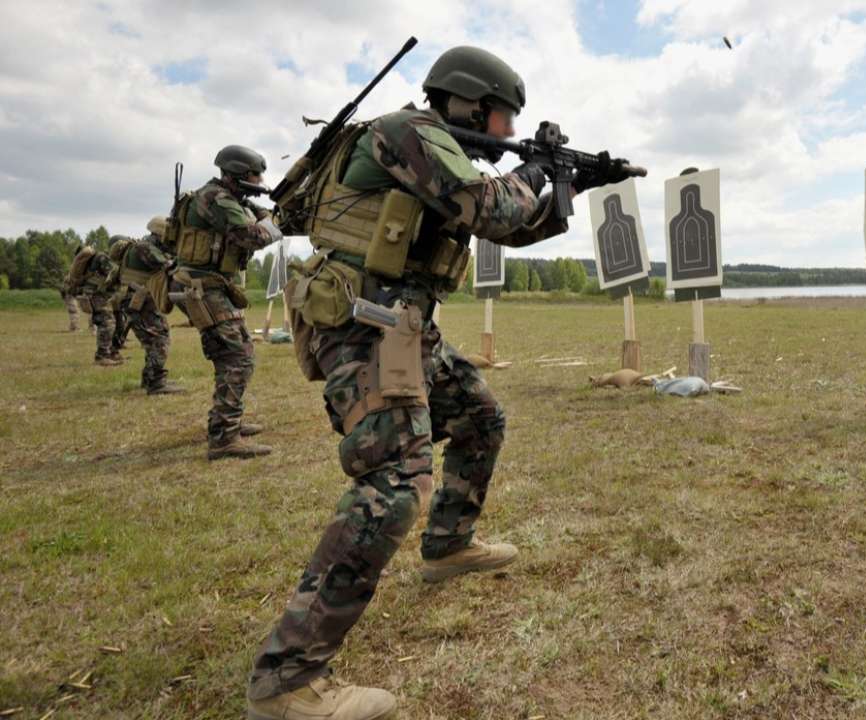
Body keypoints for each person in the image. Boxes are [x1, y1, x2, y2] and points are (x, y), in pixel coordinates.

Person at [246, 46, 628, 719]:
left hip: (401, 327)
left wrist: (569, 185)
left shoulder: (437, 158)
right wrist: (534, 169)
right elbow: (490, 207)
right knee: (395, 479)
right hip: (363, 325)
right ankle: (287, 679)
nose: (505, 136)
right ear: (468, 101)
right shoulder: (408, 134)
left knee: (481, 417)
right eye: (501, 119)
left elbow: (509, 230)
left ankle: (449, 545)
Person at [169, 146, 279, 460]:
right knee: (237, 358)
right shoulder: (217, 199)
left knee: (232, 356)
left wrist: (264, 214)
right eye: (253, 176)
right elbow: (252, 237)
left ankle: (228, 423)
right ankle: (224, 438)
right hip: (205, 289)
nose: (258, 181)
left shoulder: (219, 197)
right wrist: (272, 223)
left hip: (209, 287)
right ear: (237, 175)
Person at [111, 223, 185, 395]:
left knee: (154, 339)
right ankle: (156, 383)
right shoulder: (145, 249)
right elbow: (170, 266)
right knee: (159, 339)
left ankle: (150, 378)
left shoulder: (142, 247)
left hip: (139, 300)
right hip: (139, 301)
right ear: (160, 235)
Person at [67, 244, 123, 366]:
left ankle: (111, 353)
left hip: (91, 295)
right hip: (97, 295)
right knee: (107, 323)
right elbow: (114, 272)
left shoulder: (92, 261)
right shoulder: (101, 257)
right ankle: (102, 356)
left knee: (106, 322)